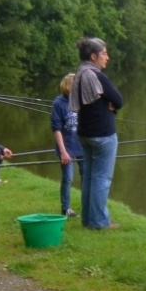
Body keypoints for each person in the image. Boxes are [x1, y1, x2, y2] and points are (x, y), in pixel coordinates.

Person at [71, 37, 123, 230]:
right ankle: (100, 222)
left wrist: (108, 102)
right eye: (104, 54)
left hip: (84, 134)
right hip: (103, 135)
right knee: (102, 178)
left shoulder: (80, 74)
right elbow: (118, 100)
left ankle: (87, 219)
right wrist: (109, 103)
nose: (107, 57)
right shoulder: (97, 75)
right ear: (93, 56)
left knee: (90, 178)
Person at [51, 73, 83, 218]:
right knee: (68, 178)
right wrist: (63, 152)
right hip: (67, 147)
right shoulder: (59, 103)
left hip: (82, 146)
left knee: (86, 176)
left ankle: (87, 206)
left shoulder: (82, 101)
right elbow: (56, 129)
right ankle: (66, 208)